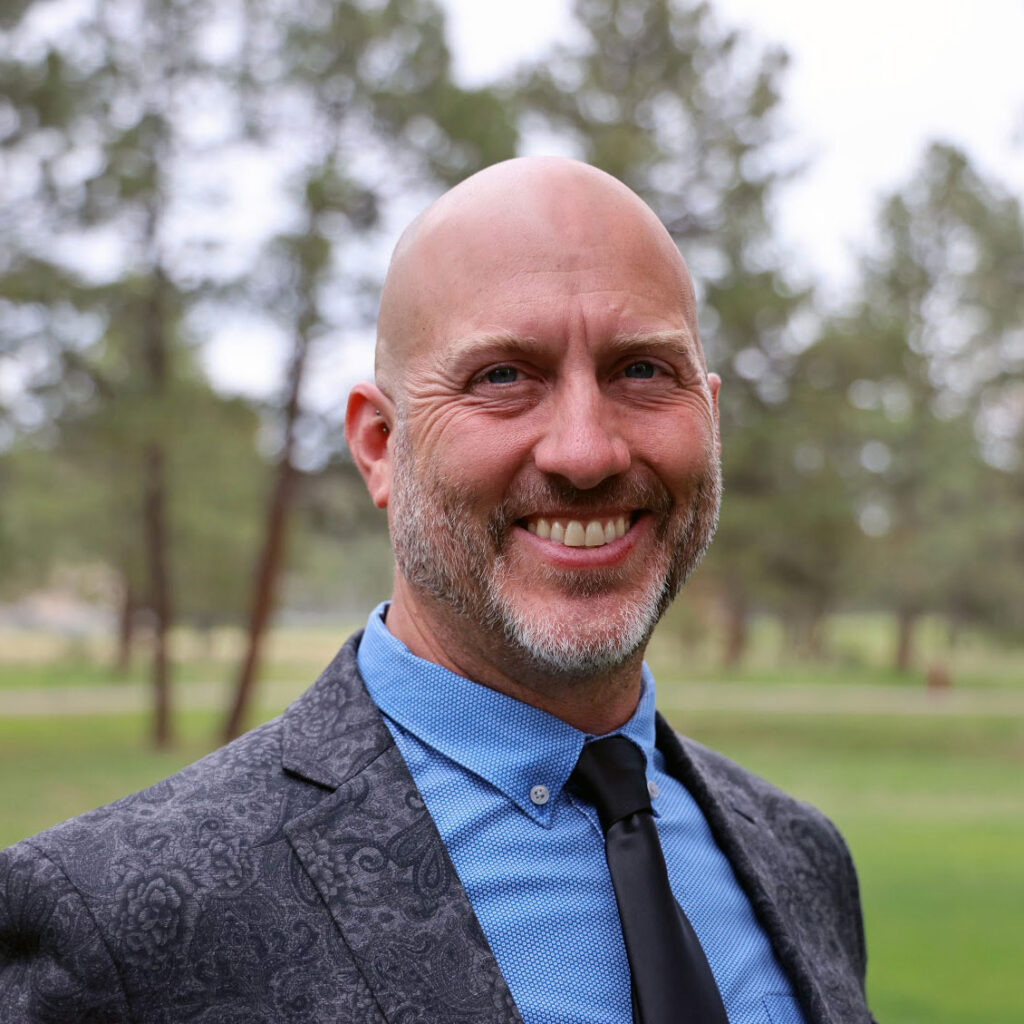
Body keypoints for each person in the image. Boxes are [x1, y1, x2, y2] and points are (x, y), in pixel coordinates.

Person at [0, 158, 875, 1024]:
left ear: (710, 417)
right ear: (380, 444)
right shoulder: (120, 929)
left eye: (642, 370)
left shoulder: (802, 858)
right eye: (503, 377)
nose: (586, 452)